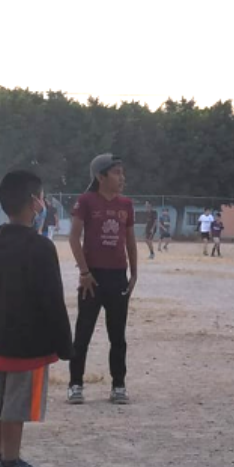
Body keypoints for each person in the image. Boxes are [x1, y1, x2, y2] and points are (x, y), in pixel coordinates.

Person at [0, 170, 74, 467]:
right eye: (43, 198)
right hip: (27, 342)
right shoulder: (41, 248)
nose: (44, 204)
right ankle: (10, 463)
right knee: (16, 403)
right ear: (35, 203)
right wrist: (65, 345)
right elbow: (52, 301)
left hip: (0, 336)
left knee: (0, 399)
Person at [67, 153, 138, 405]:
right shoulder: (86, 201)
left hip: (118, 276)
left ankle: (118, 385)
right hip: (92, 277)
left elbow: (130, 240)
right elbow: (74, 238)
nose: (122, 178)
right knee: (83, 333)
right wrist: (84, 273)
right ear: (100, 176)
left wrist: (134, 273)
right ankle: (75, 384)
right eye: (117, 172)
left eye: (122, 172)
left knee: (117, 336)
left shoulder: (126, 205)